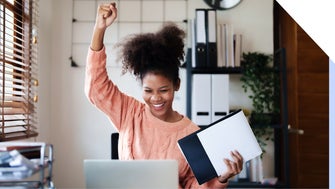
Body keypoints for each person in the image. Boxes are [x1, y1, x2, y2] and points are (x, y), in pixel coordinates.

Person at [85, 2, 243, 188]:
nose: (156, 98)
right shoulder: (129, 113)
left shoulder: (191, 133)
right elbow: (96, 88)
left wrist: (221, 178)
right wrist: (99, 29)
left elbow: (193, 185)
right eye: (148, 91)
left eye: (163, 90)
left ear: (176, 85)